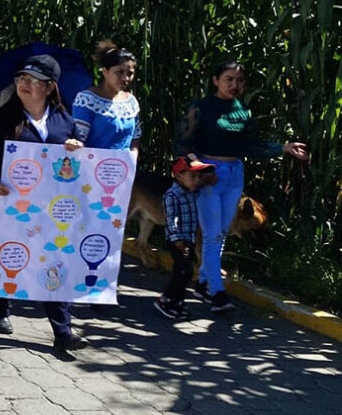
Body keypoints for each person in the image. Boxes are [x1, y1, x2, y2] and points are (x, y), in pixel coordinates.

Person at [175, 61, 308, 312]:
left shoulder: (242, 111)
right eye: (229, 79)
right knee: (212, 233)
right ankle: (217, 292)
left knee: (222, 231)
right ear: (216, 80)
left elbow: (251, 145)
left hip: (234, 174)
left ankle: (203, 282)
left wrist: (283, 147)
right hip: (209, 175)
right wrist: (198, 170)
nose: (235, 85)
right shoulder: (200, 108)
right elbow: (182, 143)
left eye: (240, 80)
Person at [0, 55, 90, 355]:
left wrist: (76, 150)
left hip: (51, 206)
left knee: (52, 256)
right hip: (10, 202)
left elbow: (76, 167)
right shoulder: (2, 119)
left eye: (33, 80)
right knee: (12, 254)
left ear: (50, 87)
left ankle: (63, 332)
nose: (24, 84)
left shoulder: (64, 122)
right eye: (21, 78)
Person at [155, 156, 214, 320]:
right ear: (179, 176)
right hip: (178, 241)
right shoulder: (172, 195)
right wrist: (177, 240)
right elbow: (171, 219)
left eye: (198, 176)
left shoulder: (191, 192)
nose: (197, 180)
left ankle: (178, 301)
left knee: (187, 272)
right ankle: (166, 299)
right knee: (182, 272)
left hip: (189, 240)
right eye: (192, 176)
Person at [71, 41, 141, 152]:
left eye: (130, 73)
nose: (125, 78)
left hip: (123, 162)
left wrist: (133, 158)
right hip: (94, 161)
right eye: (119, 72)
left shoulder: (131, 102)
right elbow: (78, 139)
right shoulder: (88, 100)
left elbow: (135, 137)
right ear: (105, 71)